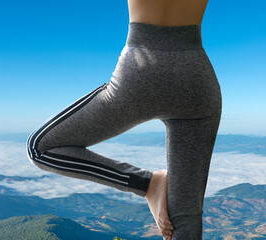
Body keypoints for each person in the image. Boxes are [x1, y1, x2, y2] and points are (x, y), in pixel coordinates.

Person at [26, 0, 220, 239]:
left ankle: (147, 183)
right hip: (196, 79)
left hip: (140, 72)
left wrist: (143, 183)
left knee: (39, 148)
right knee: (185, 218)